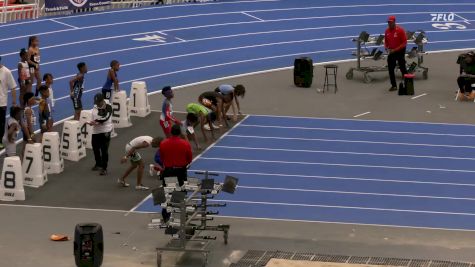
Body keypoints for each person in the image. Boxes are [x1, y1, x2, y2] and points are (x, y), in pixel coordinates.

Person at [159, 124, 193, 222]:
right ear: (180, 133)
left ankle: (166, 215)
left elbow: (162, 158)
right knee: (181, 193)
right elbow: (189, 158)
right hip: (180, 171)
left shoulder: (163, 143)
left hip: (169, 171)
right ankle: (180, 216)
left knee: (168, 193)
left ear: (171, 132)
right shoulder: (185, 144)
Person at [89, 93, 113, 176]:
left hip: (105, 131)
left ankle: (104, 168)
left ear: (102, 100)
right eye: (96, 102)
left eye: (98, 102)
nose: (97, 104)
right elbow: (93, 116)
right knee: (95, 148)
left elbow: (105, 118)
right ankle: (98, 164)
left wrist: (96, 121)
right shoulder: (95, 106)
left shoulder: (108, 107)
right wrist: (92, 121)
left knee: (104, 150)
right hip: (96, 131)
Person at [384, 16, 408, 91]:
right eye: (388, 22)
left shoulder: (400, 30)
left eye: (391, 22)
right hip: (391, 51)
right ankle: (394, 85)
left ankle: (408, 83)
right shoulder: (387, 31)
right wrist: (386, 47)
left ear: (394, 22)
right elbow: (386, 41)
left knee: (402, 67)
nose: (389, 24)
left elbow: (404, 43)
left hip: (400, 51)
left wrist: (395, 49)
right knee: (390, 69)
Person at [0, 56, 18, 150]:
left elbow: (13, 87)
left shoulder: (6, 72)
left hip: (2, 103)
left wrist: (14, 102)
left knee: (1, 124)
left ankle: (0, 142)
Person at [21, 92, 36, 157]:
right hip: (28, 131)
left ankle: (23, 162)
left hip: (27, 131)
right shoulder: (28, 111)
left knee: (25, 147)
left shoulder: (29, 109)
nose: (35, 100)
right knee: (25, 148)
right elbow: (28, 124)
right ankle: (22, 162)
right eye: (33, 99)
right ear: (29, 100)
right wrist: (32, 134)